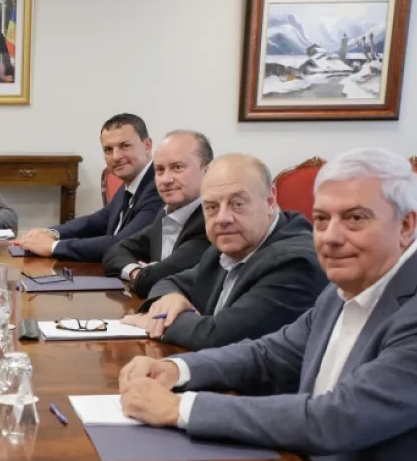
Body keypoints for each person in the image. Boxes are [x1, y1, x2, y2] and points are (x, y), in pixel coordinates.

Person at [119, 149, 417, 461]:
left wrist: (179, 408)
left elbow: (335, 419)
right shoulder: (350, 284)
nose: (330, 236)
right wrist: (177, 369)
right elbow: (271, 352)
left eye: (355, 218)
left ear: (406, 225)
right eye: (322, 219)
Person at [121, 153, 327, 351]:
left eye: (237, 204)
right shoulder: (226, 248)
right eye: (211, 207)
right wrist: (170, 298)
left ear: (270, 200)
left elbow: (219, 337)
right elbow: (168, 282)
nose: (222, 218)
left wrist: (156, 320)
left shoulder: (294, 262)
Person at [17, 113, 164, 261]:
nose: (116, 157)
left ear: (147, 146)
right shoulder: (132, 183)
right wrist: (52, 233)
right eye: (108, 150)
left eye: (125, 146)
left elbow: (122, 244)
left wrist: (53, 247)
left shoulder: (160, 187)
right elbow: (98, 220)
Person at [102, 130, 213, 297]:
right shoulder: (165, 215)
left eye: (177, 167)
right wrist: (136, 271)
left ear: (207, 170)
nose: (166, 180)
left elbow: (153, 280)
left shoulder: (211, 222)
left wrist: (147, 275)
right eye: (160, 170)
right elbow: (115, 251)